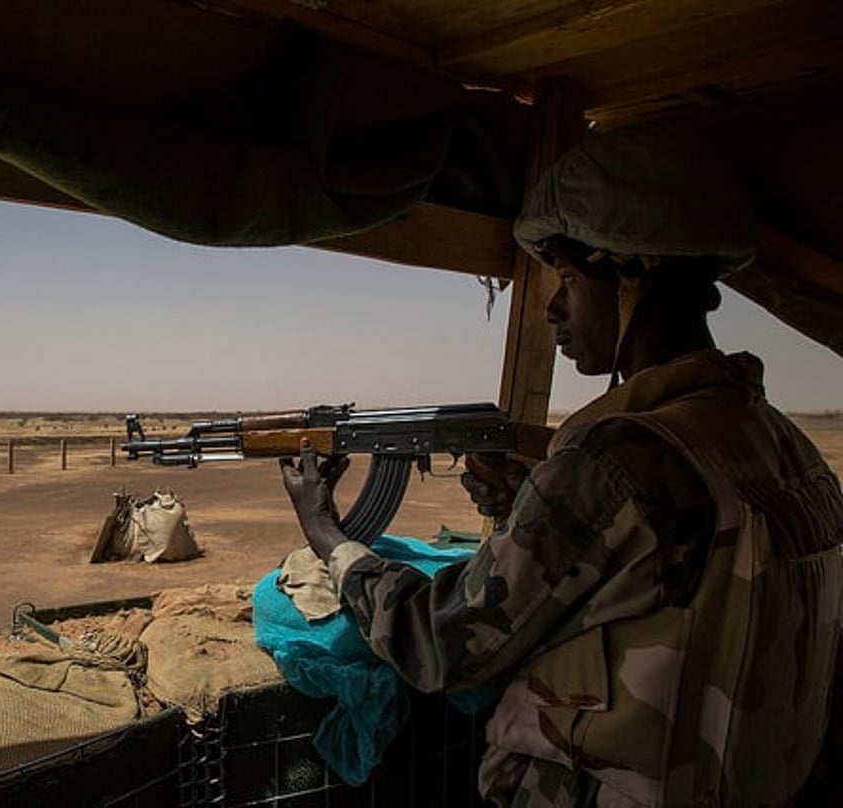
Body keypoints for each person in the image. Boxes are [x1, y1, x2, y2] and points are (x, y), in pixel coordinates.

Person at [280, 122, 843, 807]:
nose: (550, 307)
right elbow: (671, 583)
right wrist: (535, 504)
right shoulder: (780, 442)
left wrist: (327, 538)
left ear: (634, 271)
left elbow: (442, 642)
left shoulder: (616, 458)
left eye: (570, 279)